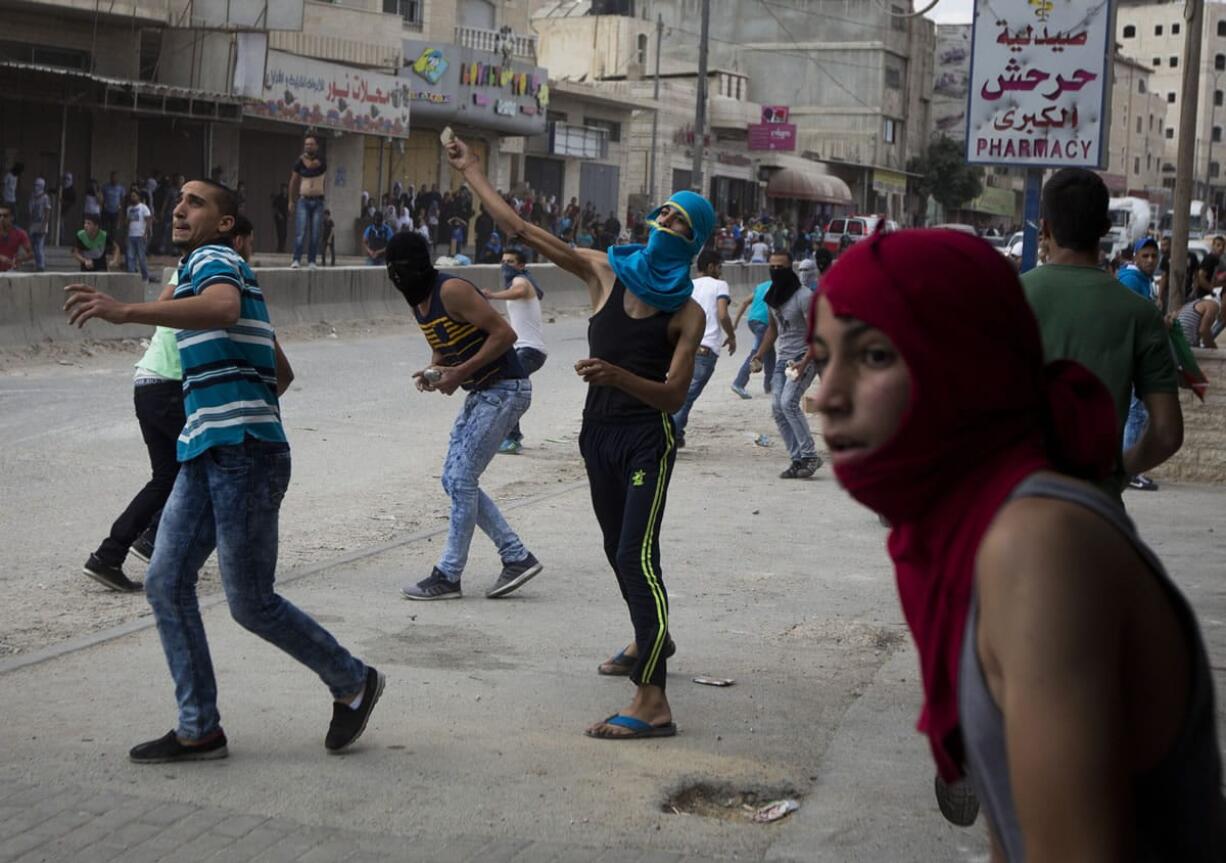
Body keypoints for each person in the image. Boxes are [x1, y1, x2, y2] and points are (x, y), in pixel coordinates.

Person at [810, 227, 1226, 861]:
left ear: (961, 359)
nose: (826, 397)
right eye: (821, 357)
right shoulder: (965, 525)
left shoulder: (1037, 545)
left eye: (873, 356)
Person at [64, 179, 382, 762]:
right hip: (210, 449)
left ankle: (354, 681)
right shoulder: (201, 270)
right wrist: (234, 402)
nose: (180, 208)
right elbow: (277, 370)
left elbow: (224, 307)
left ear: (227, 223)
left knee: (250, 602)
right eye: (179, 201)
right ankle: (198, 728)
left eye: (197, 202)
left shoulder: (215, 260)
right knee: (165, 582)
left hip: (242, 455)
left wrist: (126, 311)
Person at [444, 133, 711, 739]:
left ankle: (653, 701)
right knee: (622, 550)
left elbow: (672, 397)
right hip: (598, 437)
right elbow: (522, 229)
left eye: (680, 219)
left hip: (647, 440)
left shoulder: (687, 312)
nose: (666, 220)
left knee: (634, 555)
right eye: (664, 210)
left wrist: (619, 376)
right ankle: (653, 639)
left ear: (695, 240)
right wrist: (474, 171)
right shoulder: (604, 271)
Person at [385, 231, 542, 601]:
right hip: (484, 393)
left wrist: (461, 372)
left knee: (460, 477)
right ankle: (516, 556)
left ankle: (449, 575)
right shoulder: (418, 303)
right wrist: (434, 370)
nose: (397, 275)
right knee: (454, 480)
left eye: (402, 267)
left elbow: (504, 334)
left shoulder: (451, 289)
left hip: (506, 389)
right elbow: (441, 347)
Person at [1021, 169, 1182, 502]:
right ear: (1105, 230)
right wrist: (1119, 473)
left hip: (1013, 515)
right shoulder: (1141, 314)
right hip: (1097, 515)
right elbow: (1167, 433)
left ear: (1046, 228)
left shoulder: (1004, 298)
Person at [753, 251, 822, 479]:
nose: (775, 271)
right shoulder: (772, 296)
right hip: (783, 359)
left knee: (788, 403)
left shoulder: (804, 296)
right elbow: (773, 330)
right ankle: (797, 459)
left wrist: (804, 362)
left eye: (780, 267)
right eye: (772, 267)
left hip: (804, 356)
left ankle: (810, 455)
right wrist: (759, 356)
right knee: (777, 408)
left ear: (789, 268)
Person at [481, 248, 548, 455]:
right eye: (503, 261)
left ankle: (511, 438)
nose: (505, 265)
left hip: (530, 350)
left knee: (509, 387)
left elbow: (518, 291)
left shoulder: (522, 281)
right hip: (523, 349)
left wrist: (492, 295)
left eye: (510, 261)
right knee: (508, 386)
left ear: (521, 265)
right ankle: (510, 436)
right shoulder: (521, 281)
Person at [670, 249, 735, 447]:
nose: (720, 271)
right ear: (711, 267)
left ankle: (676, 433)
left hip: (683, 346)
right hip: (706, 348)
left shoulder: (688, 285)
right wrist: (731, 336)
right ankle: (668, 435)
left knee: (676, 391)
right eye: (719, 267)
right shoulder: (719, 285)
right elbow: (723, 314)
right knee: (687, 396)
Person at [730, 271, 776, 399]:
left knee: (770, 352)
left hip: (752, 321)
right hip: (764, 323)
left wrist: (736, 322)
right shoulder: (781, 286)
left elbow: (744, 302)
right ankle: (739, 383)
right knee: (757, 353)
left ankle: (770, 386)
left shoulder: (761, 286)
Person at [289, 133, 327, 268]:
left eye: (311, 144)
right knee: (300, 232)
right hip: (303, 200)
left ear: (316, 146)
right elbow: (293, 180)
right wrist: (291, 200)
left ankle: (312, 260)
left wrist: (303, 158)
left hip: (318, 201)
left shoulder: (321, 159)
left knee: (315, 233)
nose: (308, 147)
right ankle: (296, 259)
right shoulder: (299, 162)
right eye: (306, 144)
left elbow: (311, 166)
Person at [1177, 254, 1224, 348]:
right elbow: (1203, 330)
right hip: (1186, 345)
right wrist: (1213, 348)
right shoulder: (1213, 305)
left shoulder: (1200, 302)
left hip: (1180, 342)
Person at [124, 188, 153, 281]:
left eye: (134, 196)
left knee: (141, 258)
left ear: (138, 197)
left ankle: (145, 277)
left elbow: (148, 220)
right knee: (130, 257)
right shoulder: (129, 209)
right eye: (131, 196)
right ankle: (131, 278)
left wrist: (146, 233)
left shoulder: (143, 207)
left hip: (140, 235)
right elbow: (127, 222)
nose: (132, 198)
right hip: (131, 235)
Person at [0, 202, 33, 272]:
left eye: (5, 216)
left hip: (10, 272)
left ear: (12, 217)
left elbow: (30, 254)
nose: (1, 218)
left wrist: (21, 259)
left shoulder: (20, 233)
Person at [27, 178, 51, 272]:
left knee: (39, 245)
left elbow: (47, 211)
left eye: (38, 185)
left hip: (41, 224)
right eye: (35, 185)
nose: (36, 187)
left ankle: (41, 265)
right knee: (33, 245)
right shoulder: (32, 196)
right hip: (33, 224)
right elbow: (30, 211)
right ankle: (37, 263)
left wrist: (44, 225)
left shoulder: (45, 197)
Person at [101, 171, 125, 240]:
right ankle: (104, 246)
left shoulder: (121, 188)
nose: (114, 179)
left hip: (116, 212)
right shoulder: (105, 187)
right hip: (106, 211)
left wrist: (121, 213)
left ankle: (112, 246)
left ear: (118, 178)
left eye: (115, 177)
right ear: (110, 178)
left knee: (113, 231)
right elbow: (101, 198)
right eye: (112, 177)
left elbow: (122, 201)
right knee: (105, 230)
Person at [271, 184, 288, 253]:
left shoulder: (287, 197)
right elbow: (274, 206)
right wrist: (278, 214)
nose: (285, 190)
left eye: (286, 189)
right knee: (280, 232)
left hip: (285, 217)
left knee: (284, 233)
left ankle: (282, 247)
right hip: (279, 217)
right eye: (284, 189)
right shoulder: (279, 198)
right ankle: (279, 248)